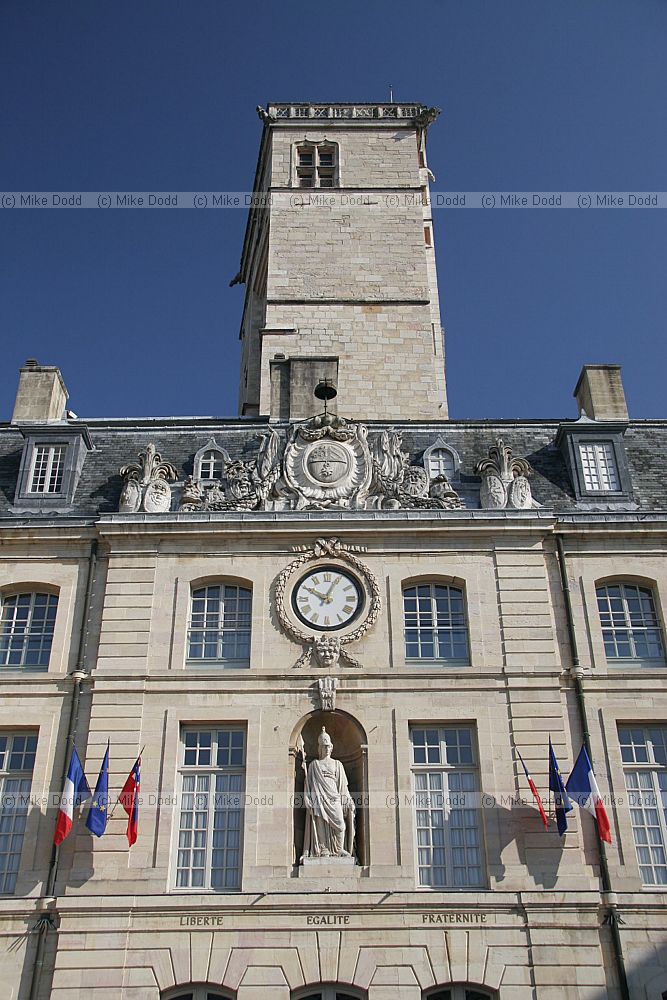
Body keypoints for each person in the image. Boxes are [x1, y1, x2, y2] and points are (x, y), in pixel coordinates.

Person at [302, 727, 355, 860]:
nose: (326, 749)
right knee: (320, 821)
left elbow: (343, 786)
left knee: (341, 825)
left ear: (331, 747)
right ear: (319, 748)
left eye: (328, 746)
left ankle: (339, 849)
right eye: (323, 746)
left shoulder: (337, 764)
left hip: (334, 797)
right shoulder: (314, 765)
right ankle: (323, 848)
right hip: (319, 798)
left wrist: (348, 800)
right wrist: (307, 798)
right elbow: (307, 785)